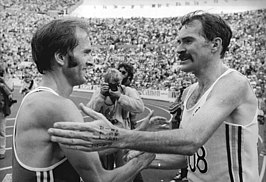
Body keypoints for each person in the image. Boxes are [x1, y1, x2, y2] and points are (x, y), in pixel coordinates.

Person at [49, 11, 260, 182]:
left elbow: (191, 141)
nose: (178, 49)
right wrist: (142, 157)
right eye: (178, 42)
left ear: (215, 45)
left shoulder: (234, 83)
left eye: (187, 41)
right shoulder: (189, 92)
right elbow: (188, 157)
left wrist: (119, 137)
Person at [12, 18, 155, 182]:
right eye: (86, 53)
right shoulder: (58, 106)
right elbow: (100, 179)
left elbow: (86, 153)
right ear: (61, 57)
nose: (93, 61)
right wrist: (142, 160)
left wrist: (135, 135)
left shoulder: (38, 98)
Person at [87, 67, 145, 170]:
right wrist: (101, 96)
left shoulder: (127, 91)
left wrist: (120, 97)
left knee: (124, 168)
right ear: (106, 83)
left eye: (116, 84)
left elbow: (140, 107)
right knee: (102, 168)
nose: (114, 87)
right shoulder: (99, 92)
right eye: (111, 84)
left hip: (122, 134)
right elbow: (90, 110)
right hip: (103, 134)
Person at [0, 63, 15, 159]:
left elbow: (11, 89)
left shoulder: (6, 80)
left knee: (1, 130)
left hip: (1, 108)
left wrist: (3, 82)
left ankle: (1, 150)